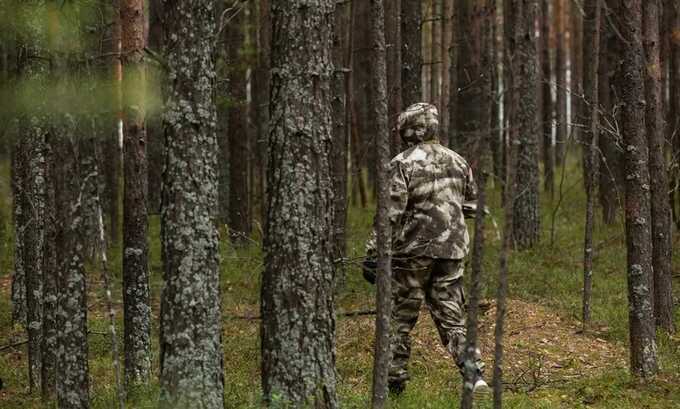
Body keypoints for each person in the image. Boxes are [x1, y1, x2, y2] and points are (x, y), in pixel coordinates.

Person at [364, 102, 487, 395]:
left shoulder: (402, 163)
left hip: (411, 254)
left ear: (409, 129)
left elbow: (390, 213)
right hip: (453, 252)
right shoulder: (458, 161)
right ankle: (475, 376)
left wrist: (372, 253)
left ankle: (393, 384)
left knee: (399, 320)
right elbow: (472, 206)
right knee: (453, 317)